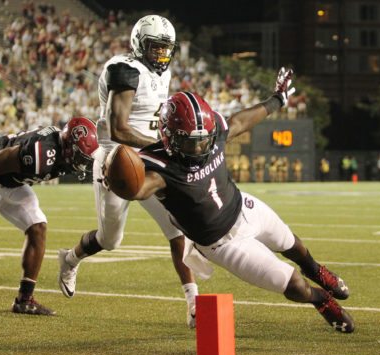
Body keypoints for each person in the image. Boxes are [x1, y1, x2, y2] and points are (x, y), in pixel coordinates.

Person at [112, 68, 355, 333]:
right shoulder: (159, 167)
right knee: (294, 285)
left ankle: (318, 271)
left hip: (243, 208)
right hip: (222, 243)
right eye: (191, 143)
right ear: (170, 138)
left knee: (293, 244)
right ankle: (320, 299)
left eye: (203, 140)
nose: (200, 148)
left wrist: (277, 100)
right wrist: (118, 179)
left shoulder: (211, 131)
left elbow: (240, 122)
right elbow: (138, 189)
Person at [57, 15, 199, 328]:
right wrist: (163, 145)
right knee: (110, 240)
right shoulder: (123, 70)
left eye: (166, 49)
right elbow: (120, 130)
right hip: (116, 161)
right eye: (155, 48)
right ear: (138, 44)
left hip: (148, 159)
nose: (161, 55)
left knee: (178, 229)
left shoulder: (162, 72)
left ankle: (193, 304)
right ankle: (70, 258)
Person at [0, 117, 99, 315]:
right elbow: (2, 158)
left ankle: (24, 300)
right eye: (79, 156)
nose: (81, 163)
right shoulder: (42, 151)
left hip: (13, 184)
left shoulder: (62, 149)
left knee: (37, 225)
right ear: (68, 145)